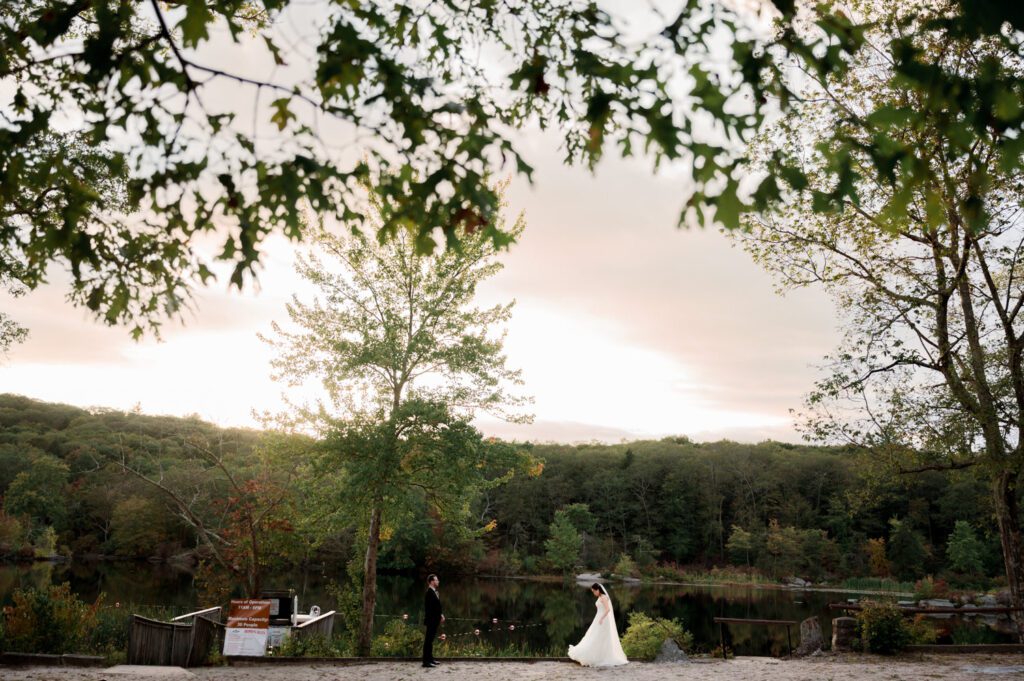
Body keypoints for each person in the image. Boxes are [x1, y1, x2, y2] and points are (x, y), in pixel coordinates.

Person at [567, 583, 628, 667]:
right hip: (598, 619)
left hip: (603, 620)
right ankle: (592, 654)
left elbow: (608, 609)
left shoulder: (604, 597)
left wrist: (602, 618)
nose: (593, 593)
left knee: (599, 637)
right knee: (592, 635)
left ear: (598, 590)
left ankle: (600, 657)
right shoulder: (600, 597)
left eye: (594, 591)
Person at [422, 573, 444, 667]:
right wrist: (436, 617)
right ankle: (426, 661)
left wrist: (441, 615)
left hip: (435, 620)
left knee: (430, 640)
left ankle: (430, 659)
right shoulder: (429, 593)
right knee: (428, 640)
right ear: (432, 581)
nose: (438, 581)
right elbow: (429, 609)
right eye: (436, 580)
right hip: (431, 620)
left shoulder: (435, 592)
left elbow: (437, 607)